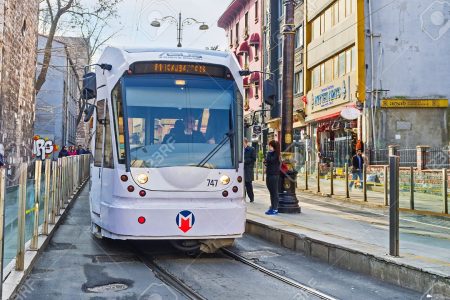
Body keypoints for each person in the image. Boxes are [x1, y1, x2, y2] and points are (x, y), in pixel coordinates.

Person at [264, 140, 281, 215]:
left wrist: (268, 155)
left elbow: (270, 160)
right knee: (271, 191)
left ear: (273, 146)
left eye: (270, 145)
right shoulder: (271, 153)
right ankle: (272, 206)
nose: (269, 147)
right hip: (269, 173)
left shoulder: (276, 154)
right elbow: (267, 162)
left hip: (274, 174)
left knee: (274, 192)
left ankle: (275, 208)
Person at [244, 138, 256, 203]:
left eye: (242, 142)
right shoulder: (239, 150)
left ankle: (251, 197)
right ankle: (243, 198)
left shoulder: (251, 149)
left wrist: (245, 161)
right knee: (241, 185)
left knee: (248, 185)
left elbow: (254, 159)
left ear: (246, 142)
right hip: (241, 170)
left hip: (248, 170)